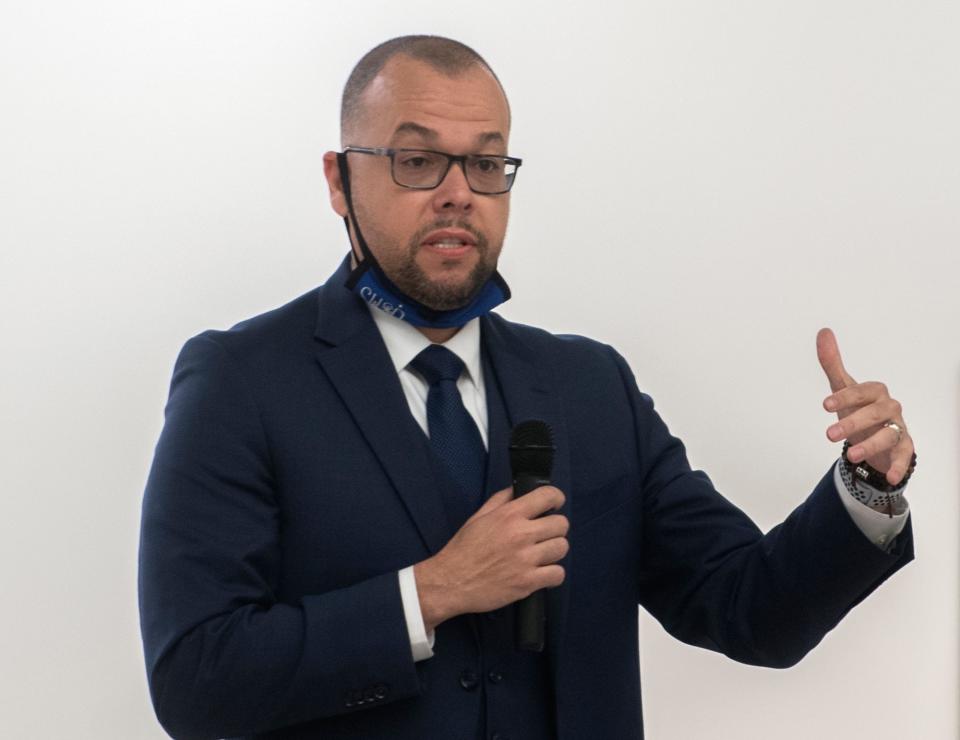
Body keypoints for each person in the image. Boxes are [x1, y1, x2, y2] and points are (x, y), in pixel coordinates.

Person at [138, 35, 915, 740]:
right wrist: (430, 593)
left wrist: (864, 489)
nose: (457, 192)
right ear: (340, 181)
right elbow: (196, 682)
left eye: (484, 162)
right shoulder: (240, 381)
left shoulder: (590, 387)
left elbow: (753, 612)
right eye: (416, 161)